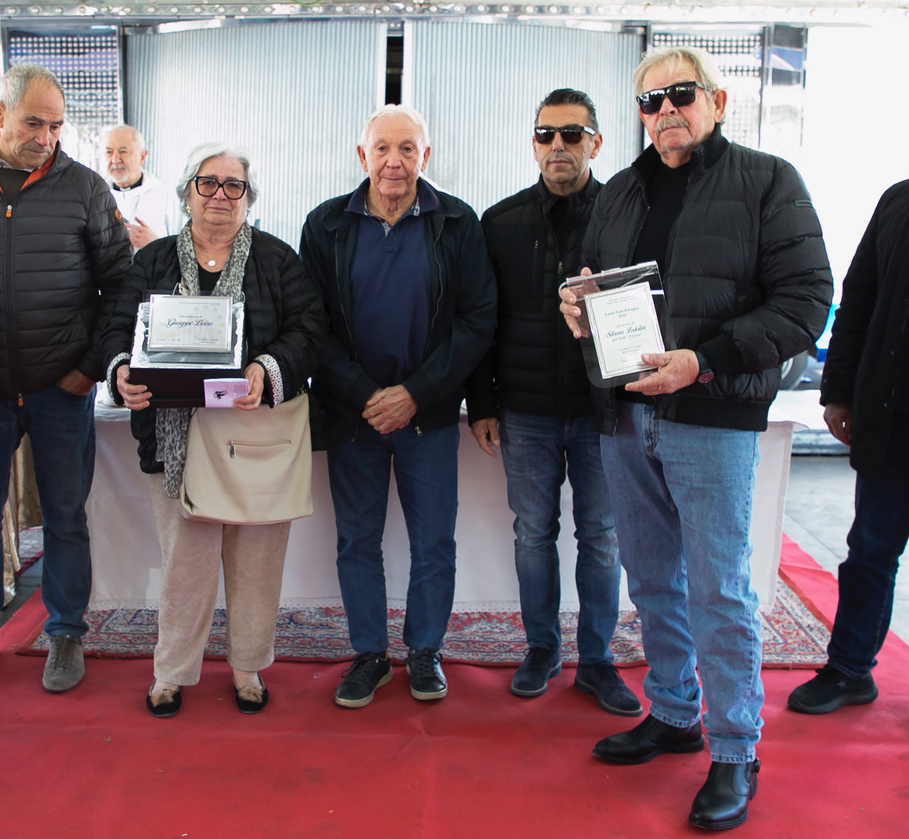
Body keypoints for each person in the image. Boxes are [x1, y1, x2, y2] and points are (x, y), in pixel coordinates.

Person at [560, 47, 831, 830]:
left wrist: (702, 360)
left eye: (680, 94)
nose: (664, 110)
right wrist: (577, 307)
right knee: (651, 581)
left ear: (715, 99)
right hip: (626, 416)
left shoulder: (767, 180)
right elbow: (597, 287)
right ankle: (675, 712)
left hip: (711, 415)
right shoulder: (619, 192)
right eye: (649, 101)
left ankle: (735, 746)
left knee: (719, 589)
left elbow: (808, 300)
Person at [0, 64, 131, 693]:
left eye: (57, 125)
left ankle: (65, 633)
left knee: (66, 515)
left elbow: (121, 286)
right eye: (33, 122)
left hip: (59, 385)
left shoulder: (87, 189)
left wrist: (88, 369)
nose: (46, 137)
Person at [104, 142, 326, 717]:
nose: (221, 195)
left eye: (234, 185)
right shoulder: (151, 261)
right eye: (209, 183)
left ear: (249, 198)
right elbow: (115, 328)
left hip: (256, 441)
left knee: (256, 561)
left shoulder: (278, 261)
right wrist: (121, 371)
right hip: (173, 440)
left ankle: (248, 667)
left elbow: (310, 329)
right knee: (185, 563)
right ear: (186, 194)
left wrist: (266, 368)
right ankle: (172, 671)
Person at [300, 104, 497, 709]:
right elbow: (313, 325)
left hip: (429, 415)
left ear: (426, 156)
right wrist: (366, 395)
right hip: (352, 415)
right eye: (382, 148)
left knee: (433, 541)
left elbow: (477, 319)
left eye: (408, 148)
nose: (394, 161)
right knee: (356, 541)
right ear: (362, 156)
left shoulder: (458, 222)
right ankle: (368, 655)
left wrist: (415, 394)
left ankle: (424, 651)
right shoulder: (325, 224)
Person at [465, 89, 639, 716]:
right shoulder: (500, 221)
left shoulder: (625, 217)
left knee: (601, 537)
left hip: (604, 413)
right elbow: (481, 322)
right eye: (546, 135)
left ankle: (596, 661)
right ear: (532, 144)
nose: (558, 146)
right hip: (525, 411)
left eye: (572, 134)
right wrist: (481, 401)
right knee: (533, 534)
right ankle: (541, 650)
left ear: (597, 141)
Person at [787, 180, 909, 715]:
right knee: (871, 550)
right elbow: (859, 297)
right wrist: (837, 390)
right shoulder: (898, 200)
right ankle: (849, 669)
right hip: (894, 416)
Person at [103, 124, 176, 250]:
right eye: (109, 152)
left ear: (142, 156)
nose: (115, 159)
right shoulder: (96, 196)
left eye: (123, 152)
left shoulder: (166, 197)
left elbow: (186, 251)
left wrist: (155, 245)